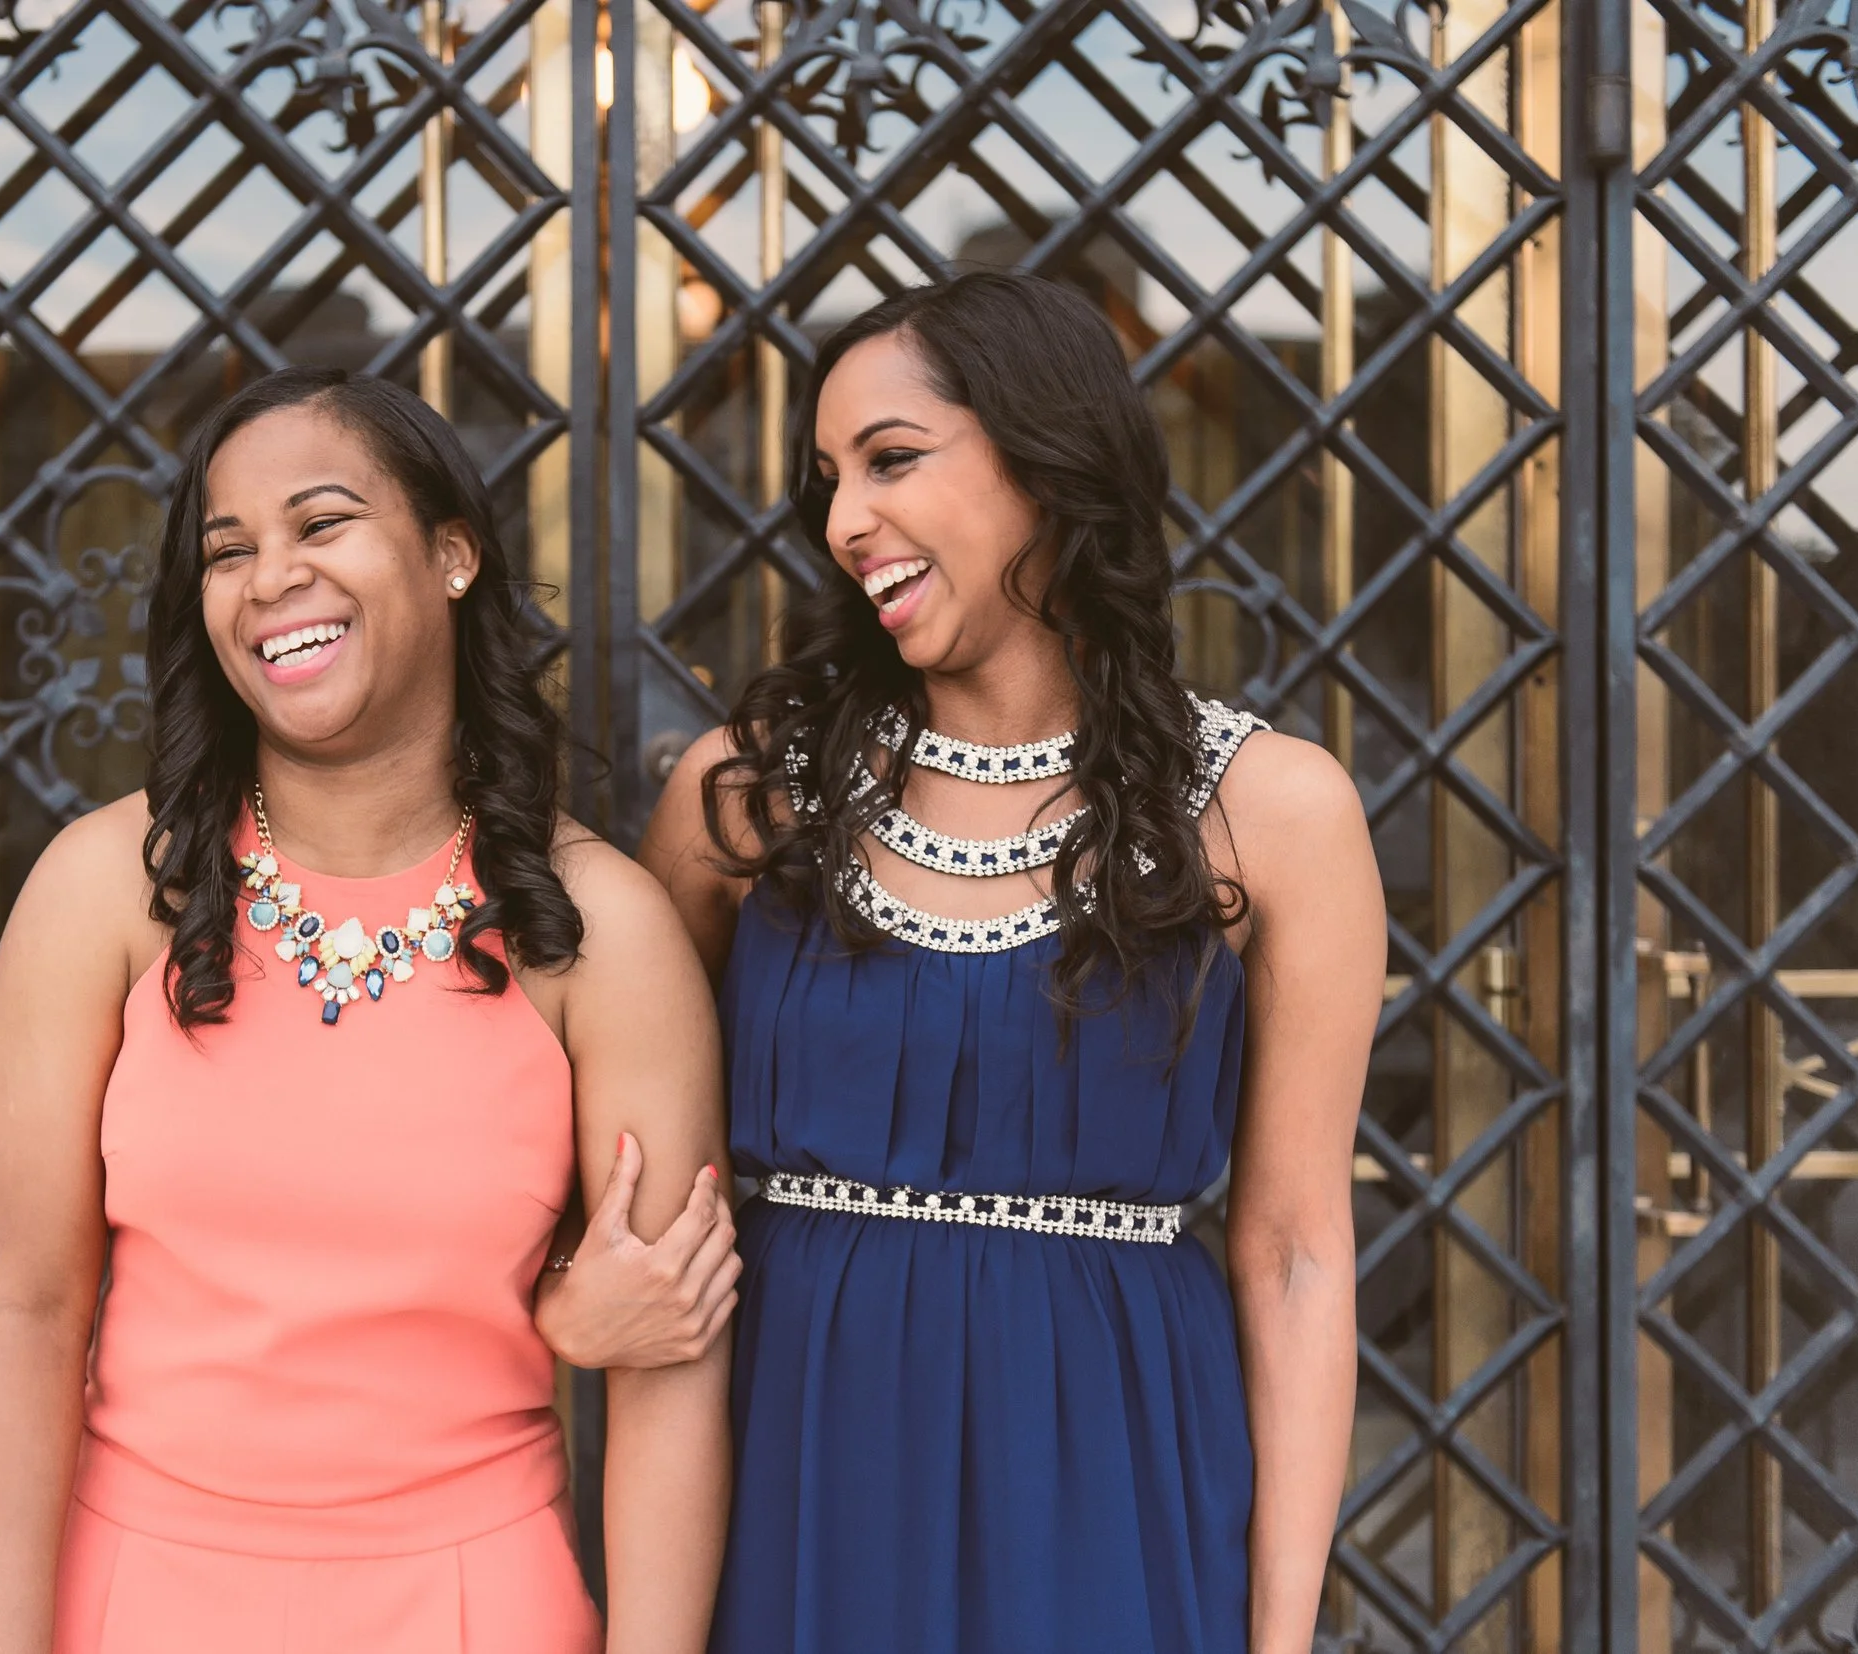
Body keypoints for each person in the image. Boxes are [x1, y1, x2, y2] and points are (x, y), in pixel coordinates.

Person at [547, 270, 1380, 1653]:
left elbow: (1295, 1254)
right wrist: (566, 1292)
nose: (844, 518)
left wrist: (1279, 1634)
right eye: (827, 478)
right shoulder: (750, 801)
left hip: (1108, 1490)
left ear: (1048, 464)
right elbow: (584, 1168)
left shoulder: (1272, 810)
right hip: (795, 1477)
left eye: (892, 459)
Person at [0, 367, 732, 1654]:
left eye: (320, 525)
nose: (268, 579)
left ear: (452, 555)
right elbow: (24, 1315)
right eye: (227, 549)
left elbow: (669, 1362)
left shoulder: (603, 931)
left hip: (479, 1604)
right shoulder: (103, 891)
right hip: (136, 1596)